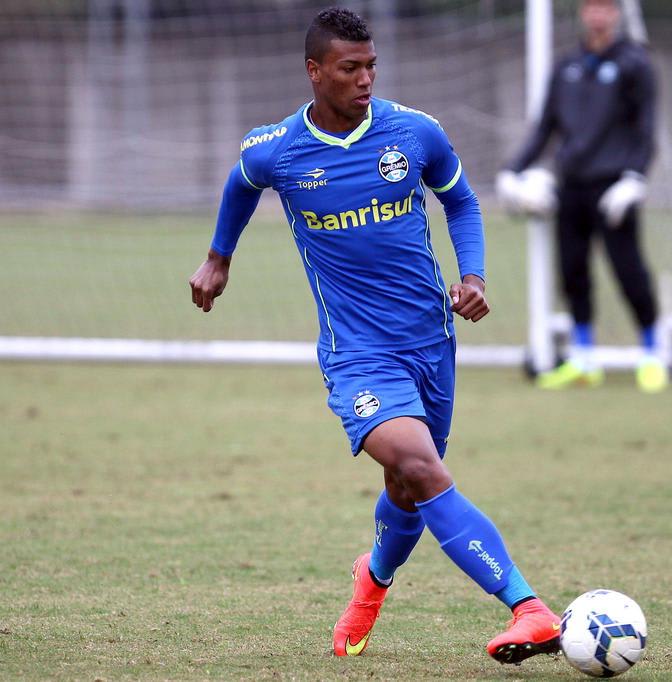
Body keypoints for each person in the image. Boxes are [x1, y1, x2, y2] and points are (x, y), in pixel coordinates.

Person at [188, 7, 561, 665]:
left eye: (371, 67)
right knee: (419, 466)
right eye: (349, 68)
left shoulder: (415, 133)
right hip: (357, 354)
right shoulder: (275, 149)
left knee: (408, 488)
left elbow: (462, 202)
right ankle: (529, 608)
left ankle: (372, 581)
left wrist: (471, 275)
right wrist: (219, 257)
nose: (365, 80)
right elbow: (240, 185)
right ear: (315, 72)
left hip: (431, 341)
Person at [497, 0, 667, 393]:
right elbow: (545, 128)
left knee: (629, 270)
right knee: (572, 271)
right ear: (581, 11)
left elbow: (646, 129)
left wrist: (635, 178)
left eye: (605, 6)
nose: (597, 13)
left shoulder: (635, 64)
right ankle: (585, 357)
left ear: (616, 13)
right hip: (570, 184)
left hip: (613, 187)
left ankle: (651, 353)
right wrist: (512, 169)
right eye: (591, 6)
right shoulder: (566, 67)